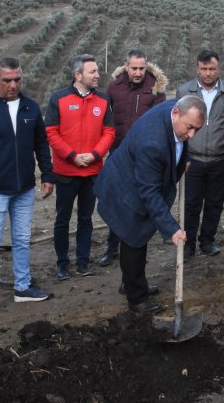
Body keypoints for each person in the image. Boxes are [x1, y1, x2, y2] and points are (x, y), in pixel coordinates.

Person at [95, 96, 206, 314]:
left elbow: (178, 142)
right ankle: (136, 300)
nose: (191, 135)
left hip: (135, 179)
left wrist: (182, 160)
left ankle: (133, 283)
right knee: (134, 238)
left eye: (197, 130)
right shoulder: (151, 143)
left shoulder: (175, 111)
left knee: (137, 238)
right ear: (176, 113)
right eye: (190, 128)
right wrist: (172, 229)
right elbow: (150, 192)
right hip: (123, 190)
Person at [0, 56, 56, 318]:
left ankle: (23, 287)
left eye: (17, 79)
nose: (13, 85)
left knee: (21, 239)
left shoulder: (30, 107)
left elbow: (41, 144)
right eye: (7, 80)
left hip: (25, 187)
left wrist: (47, 175)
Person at [45, 54, 115, 280]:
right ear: (78, 75)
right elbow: (51, 133)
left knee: (86, 219)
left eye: (97, 71)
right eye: (92, 71)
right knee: (62, 219)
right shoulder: (59, 99)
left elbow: (109, 132)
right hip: (66, 172)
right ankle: (62, 264)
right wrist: (72, 156)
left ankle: (83, 262)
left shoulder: (103, 101)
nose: (97, 75)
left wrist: (95, 155)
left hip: (92, 172)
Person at [98, 50, 167, 267]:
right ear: (126, 66)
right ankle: (111, 248)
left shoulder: (156, 89)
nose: (138, 72)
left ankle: (136, 249)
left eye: (141, 68)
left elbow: (158, 124)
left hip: (143, 158)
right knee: (116, 202)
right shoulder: (114, 87)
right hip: (117, 154)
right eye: (134, 68)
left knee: (138, 203)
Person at [176, 49, 224, 259]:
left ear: (218, 68)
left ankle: (207, 241)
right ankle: (189, 243)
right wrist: (181, 158)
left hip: (220, 159)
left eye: (212, 69)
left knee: (215, 204)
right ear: (197, 69)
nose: (208, 73)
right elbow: (177, 127)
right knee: (191, 204)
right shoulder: (184, 91)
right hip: (193, 159)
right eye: (204, 69)